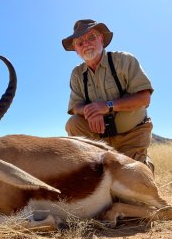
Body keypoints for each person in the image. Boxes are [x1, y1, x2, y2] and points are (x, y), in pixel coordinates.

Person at [62, 19, 154, 171]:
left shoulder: (124, 60)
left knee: (129, 188)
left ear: (101, 39)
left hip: (131, 135)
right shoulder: (77, 74)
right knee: (74, 122)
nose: (86, 43)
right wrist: (91, 111)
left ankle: (142, 162)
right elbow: (75, 106)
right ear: (76, 50)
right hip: (100, 138)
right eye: (79, 42)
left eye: (91, 37)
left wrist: (107, 106)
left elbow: (144, 98)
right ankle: (92, 169)